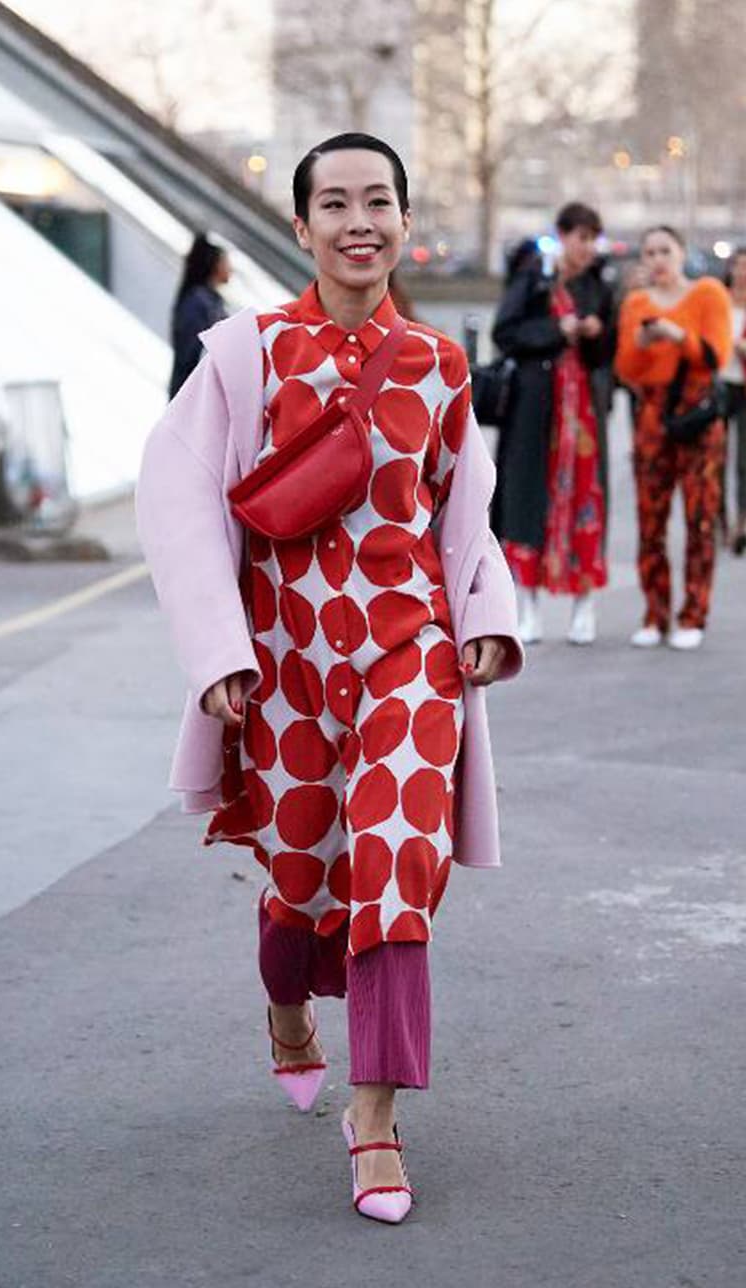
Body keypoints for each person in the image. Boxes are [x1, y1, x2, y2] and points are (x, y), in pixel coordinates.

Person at [137, 132, 523, 1225]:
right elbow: (173, 498)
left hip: (410, 655)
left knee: (396, 866)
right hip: (284, 668)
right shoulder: (245, 354)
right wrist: (218, 651)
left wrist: (486, 620)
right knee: (300, 882)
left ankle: (375, 1119)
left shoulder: (441, 368)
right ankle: (287, 1017)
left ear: (405, 222)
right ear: (300, 227)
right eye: (335, 204)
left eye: (380, 202)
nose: (360, 221)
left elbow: (465, 518)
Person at [491, 203, 614, 645]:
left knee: (586, 498)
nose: (586, 249)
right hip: (534, 408)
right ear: (562, 236)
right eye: (580, 238)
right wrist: (556, 329)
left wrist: (597, 333)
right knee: (527, 497)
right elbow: (505, 333)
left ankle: (584, 607)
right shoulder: (532, 277)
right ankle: (527, 607)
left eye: (591, 240)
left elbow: (606, 356)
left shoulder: (597, 285)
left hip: (581, 412)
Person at [615, 225, 732, 649]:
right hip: (653, 414)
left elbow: (714, 355)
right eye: (650, 252)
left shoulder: (708, 294)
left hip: (698, 413)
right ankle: (655, 613)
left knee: (700, 517)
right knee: (651, 518)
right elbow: (626, 369)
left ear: (681, 252)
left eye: (666, 250)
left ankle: (694, 613)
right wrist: (646, 342)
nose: (658, 259)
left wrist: (676, 335)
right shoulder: (636, 303)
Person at [168, 234, 230, 398]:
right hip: (194, 394)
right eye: (225, 262)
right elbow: (191, 353)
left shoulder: (209, 301)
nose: (230, 268)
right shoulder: (199, 303)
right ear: (214, 265)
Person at [721, 247, 746, 555]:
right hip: (722, 383)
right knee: (717, 456)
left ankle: (742, 519)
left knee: (744, 458)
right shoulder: (719, 300)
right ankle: (719, 520)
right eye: (738, 266)